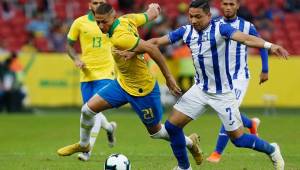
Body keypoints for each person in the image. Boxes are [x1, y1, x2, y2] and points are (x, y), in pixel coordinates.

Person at [57, 3, 204, 165]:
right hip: (122, 84)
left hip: (143, 90)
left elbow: (152, 48)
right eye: (97, 22)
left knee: (156, 133)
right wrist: (153, 9)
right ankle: (84, 145)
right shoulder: (127, 19)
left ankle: (190, 143)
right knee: (87, 109)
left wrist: (168, 78)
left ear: (113, 17)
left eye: (103, 22)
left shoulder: (120, 37)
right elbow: (148, 15)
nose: (100, 26)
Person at [148, 0, 288, 169]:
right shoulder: (186, 31)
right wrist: (133, 47)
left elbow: (245, 38)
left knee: (238, 139)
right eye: (191, 16)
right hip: (200, 90)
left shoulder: (221, 28)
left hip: (223, 93)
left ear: (208, 15)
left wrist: (269, 45)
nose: (193, 21)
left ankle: (272, 149)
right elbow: (156, 42)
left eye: (198, 17)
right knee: (172, 126)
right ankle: (184, 167)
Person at [206, 0, 270, 163]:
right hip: (221, 77)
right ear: (221, 5)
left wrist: (265, 69)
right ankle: (251, 123)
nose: (228, 7)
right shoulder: (214, 24)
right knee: (225, 110)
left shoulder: (247, 26)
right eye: (225, 4)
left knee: (227, 110)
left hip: (240, 76)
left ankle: (217, 153)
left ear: (237, 6)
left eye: (231, 4)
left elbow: (261, 45)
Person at [64, 0, 118, 161]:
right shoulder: (79, 23)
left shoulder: (113, 22)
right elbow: (69, 46)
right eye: (95, 2)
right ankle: (109, 128)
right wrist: (76, 58)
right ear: (89, 5)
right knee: (90, 111)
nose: (98, 4)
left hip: (106, 72)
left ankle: (87, 150)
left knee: (94, 110)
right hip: (86, 73)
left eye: (102, 2)